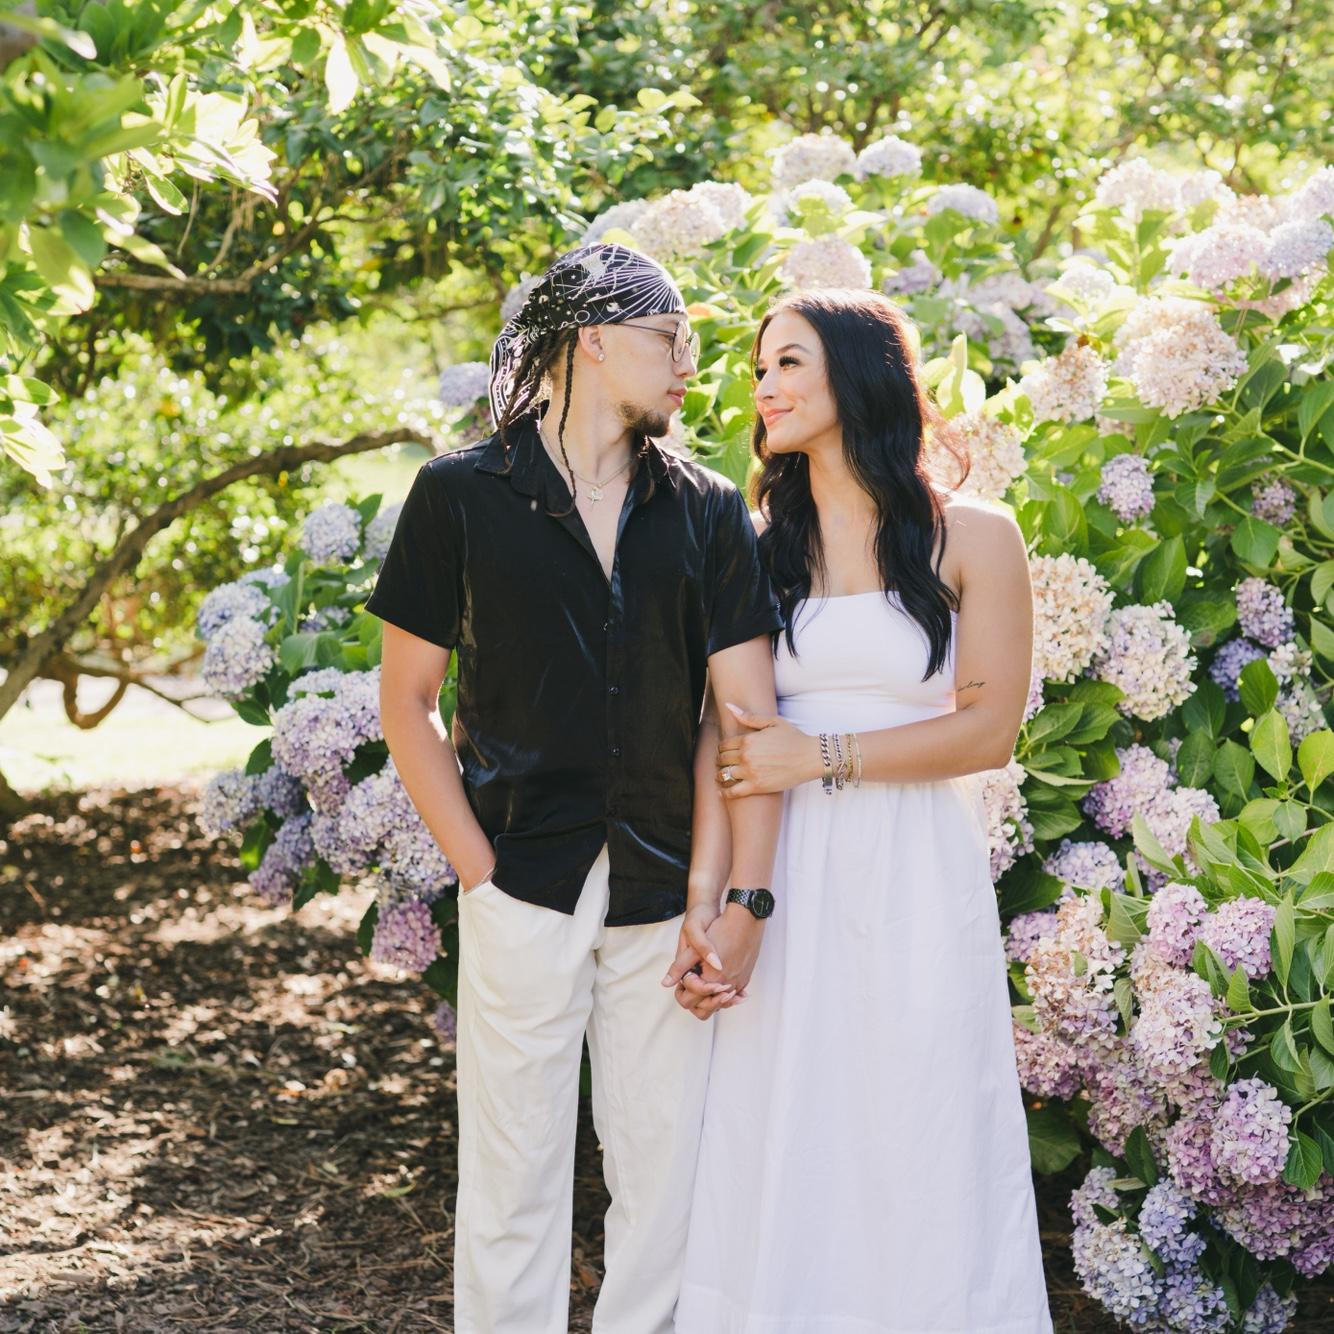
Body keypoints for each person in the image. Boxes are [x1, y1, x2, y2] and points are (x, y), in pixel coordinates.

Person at [363, 242, 784, 1334]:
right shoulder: (458, 495)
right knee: (511, 1176)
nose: (690, 364)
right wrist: (478, 871)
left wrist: (730, 897)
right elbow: (407, 702)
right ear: (593, 338)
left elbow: (741, 717)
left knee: (663, 1173)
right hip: (519, 877)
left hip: (665, 890)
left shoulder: (706, 509)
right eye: (670, 338)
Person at [669, 288, 1054, 1333]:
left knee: (915, 1117)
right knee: (784, 1118)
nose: (763, 386)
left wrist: (821, 754)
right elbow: (721, 734)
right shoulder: (755, 546)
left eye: (788, 362)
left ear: (859, 371)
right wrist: (714, 898)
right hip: (783, 866)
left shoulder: (974, 536)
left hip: (912, 865)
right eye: (758, 368)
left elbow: (987, 732)